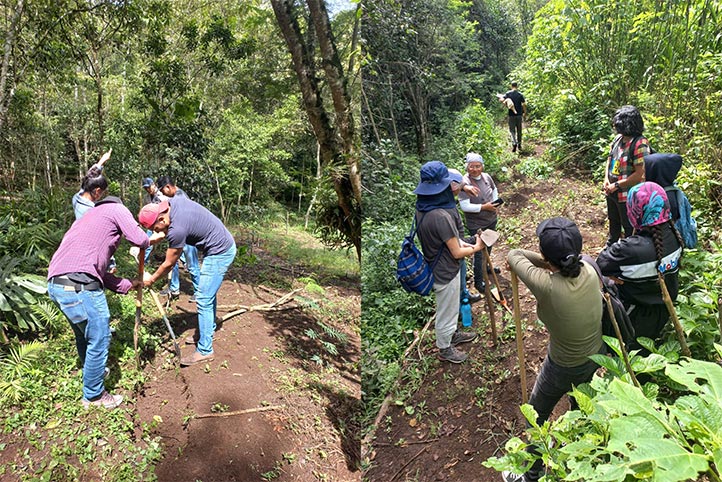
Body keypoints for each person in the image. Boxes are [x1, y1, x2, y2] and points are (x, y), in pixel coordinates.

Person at [503, 217, 604, 482]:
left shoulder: (547, 286)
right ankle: (580, 456)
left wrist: (545, 261)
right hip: (596, 355)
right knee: (581, 402)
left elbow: (514, 255)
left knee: (535, 414)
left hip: (562, 365)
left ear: (548, 257)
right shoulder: (592, 270)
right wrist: (555, 261)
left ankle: (531, 474)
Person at [47, 196, 160, 409]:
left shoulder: (87, 219)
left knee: (84, 334)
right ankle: (93, 395)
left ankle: (92, 372)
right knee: (100, 336)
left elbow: (101, 275)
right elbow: (140, 239)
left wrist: (131, 284)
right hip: (80, 284)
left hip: (59, 285)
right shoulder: (116, 209)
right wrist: (155, 237)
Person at [139, 196, 236, 366]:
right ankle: (207, 329)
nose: (155, 231)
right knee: (208, 294)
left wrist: (152, 279)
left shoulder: (177, 229)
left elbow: (169, 263)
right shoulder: (173, 204)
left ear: (161, 218)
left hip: (221, 251)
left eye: (155, 228)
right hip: (218, 244)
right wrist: (151, 239)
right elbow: (166, 231)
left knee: (204, 298)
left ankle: (205, 350)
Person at [596, 182, 683, 351]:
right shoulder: (675, 237)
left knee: (631, 353)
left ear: (635, 210)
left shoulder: (629, 250)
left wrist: (617, 276)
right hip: (664, 311)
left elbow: (601, 264)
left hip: (633, 315)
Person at [414, 161, 485, 364]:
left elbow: (451, 240)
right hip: (445, 271)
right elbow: (456, 252)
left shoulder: (423, 208)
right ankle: (444, 348)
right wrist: (477, 247)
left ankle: (451, 335)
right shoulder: (440, 216)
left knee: (451, 307)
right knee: (446, 311)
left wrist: (469, 243)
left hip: (436, 266)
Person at [603, 105, 649, 246]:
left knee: (629, 227)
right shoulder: (618, 139)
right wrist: (606, 179)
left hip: (627, 194)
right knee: (614, 222)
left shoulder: (639, 143)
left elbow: (640, 174)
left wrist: (617, 185)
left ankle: (628, 252)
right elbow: (610, 159)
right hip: (612, 191)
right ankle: (610, 249)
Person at [458, 152, 500, 293]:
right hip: (477, 224)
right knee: (479, 251)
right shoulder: (465, 184)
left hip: (490, 219)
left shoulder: (487, 177)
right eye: (472, 166)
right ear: (467, 167)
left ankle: (486, 268)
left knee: (489, 245)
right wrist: (484, 207)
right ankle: (478, 280)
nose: (475, 169)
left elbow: (494, 190)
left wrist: (495, 204)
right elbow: (465, 206)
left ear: (482, 166)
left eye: (478, 166)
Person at [155, 175, 200, 303]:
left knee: (192, 265)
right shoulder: (173, 197)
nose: (163, 193)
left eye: (163, 190)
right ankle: (174, 289)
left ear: (168, 187)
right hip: (178, 234)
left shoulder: (181, 197)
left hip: (189, 236)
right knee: (172, 262)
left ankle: (199, 292)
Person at [72, 149, 112, 220]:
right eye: (102, 193)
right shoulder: (92, 211)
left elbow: (90, 175)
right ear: (97, 191)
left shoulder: (76, 197)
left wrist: (102, 160)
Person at [503, 82, 527, 152]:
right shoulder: (520, 94)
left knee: (512, 130)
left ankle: (514, 143)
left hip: (511, 115)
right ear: (517, 86)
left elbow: (503, 101)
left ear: (511, 86)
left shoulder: (508, 94)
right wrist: (525, 112)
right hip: (519, 115)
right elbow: (524, 104)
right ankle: (519, 144)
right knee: (519, 130)